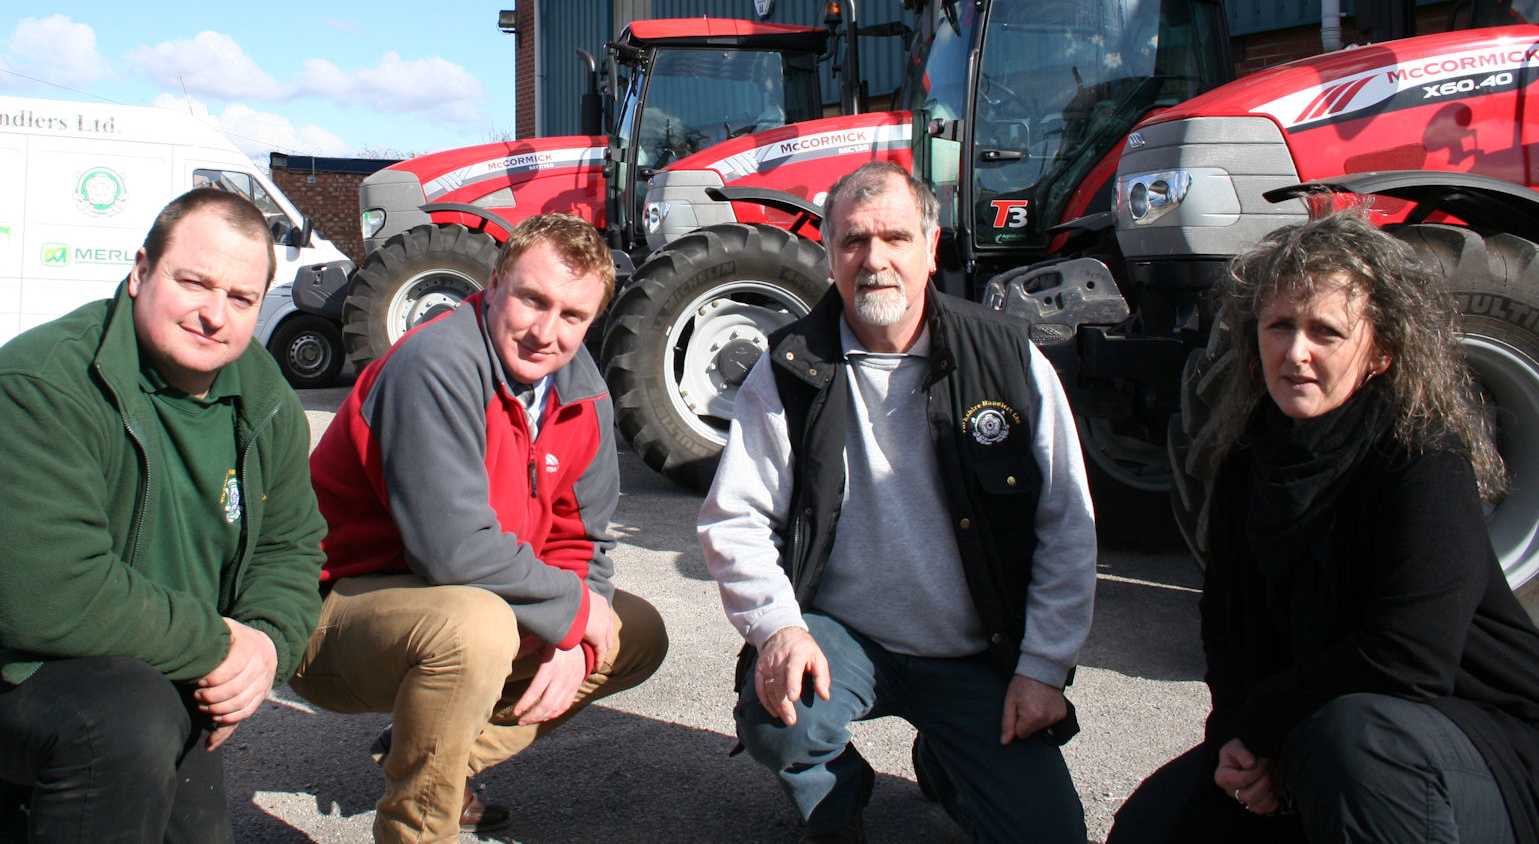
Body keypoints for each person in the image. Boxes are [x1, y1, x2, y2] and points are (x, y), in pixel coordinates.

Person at [698, 160, 1096, 843]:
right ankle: (837, 797)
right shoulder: (790, 366)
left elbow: (1065, 525)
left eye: (894, 238)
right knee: (779, 724)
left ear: (930, 246)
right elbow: (733, 517)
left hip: (974, 655)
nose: (873, 260)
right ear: (828, 253)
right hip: (844, 639)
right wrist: (778, 629)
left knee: (1048, 834)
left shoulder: (1007, 358)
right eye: (853, 241)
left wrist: (1041, 669)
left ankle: (946, 760)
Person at [1109, 211, 1539, 844]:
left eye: (1326, 331)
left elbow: (1408, 659)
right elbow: (1227, 634)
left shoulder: (1421, 458)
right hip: (1314, 729)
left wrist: (1264, 728)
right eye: (1279, 326)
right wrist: (1235, 741)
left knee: (1356, 745)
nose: (1296, 352)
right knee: (1157, 821)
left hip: (1468, 742)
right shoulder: (1246, 464)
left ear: (1381, 352)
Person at [293, 212, 668, 843]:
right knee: (477, 628)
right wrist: (573, 612)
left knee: (634, 632)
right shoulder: (434, 366)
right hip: (330, 612)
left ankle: (434, 754)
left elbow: (584, 539)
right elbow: (454, 550)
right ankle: (417, 830)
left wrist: (576, 632)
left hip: (450, 601)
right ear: (494, 283)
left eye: (573, 316)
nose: (546, 332)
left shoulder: (585, 395)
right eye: (532, 300)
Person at [0, 187, 326, 844]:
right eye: (194, 283)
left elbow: (291, 547)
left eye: (240, 299)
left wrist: (265, 644)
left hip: (164, 669)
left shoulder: (265, 399)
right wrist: (220, 645)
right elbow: (46, 591)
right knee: (127, 715)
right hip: (29, 672)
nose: (213, 314)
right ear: (141, 270)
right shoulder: (43, 384)